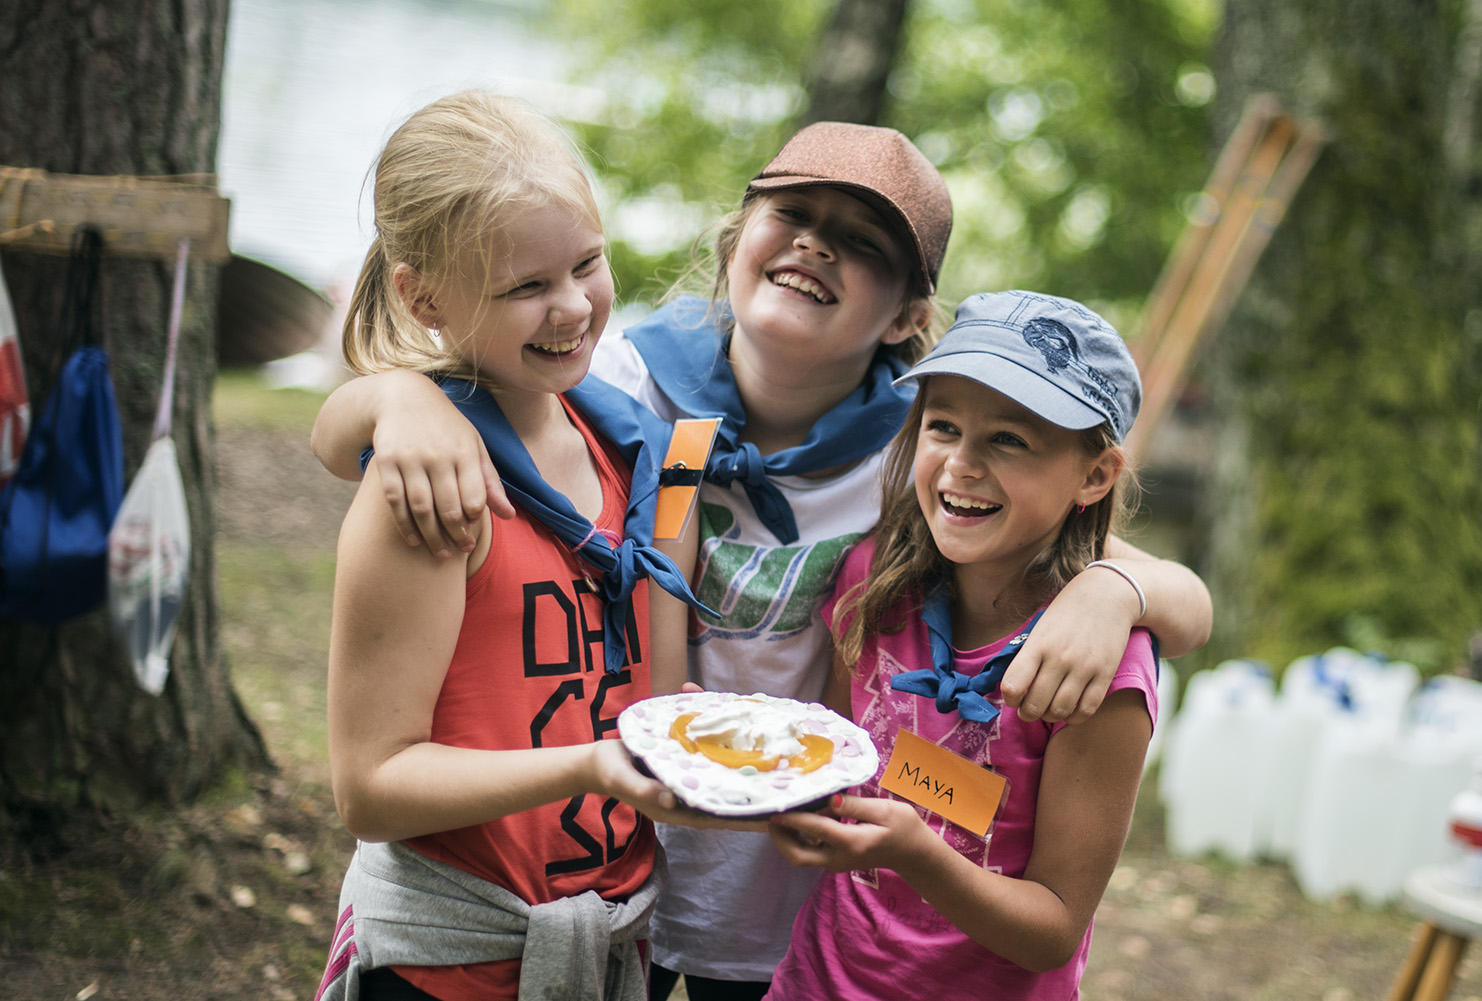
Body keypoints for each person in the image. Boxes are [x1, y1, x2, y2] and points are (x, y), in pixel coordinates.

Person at [311, 124, 1212, 1000]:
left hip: (777, 903)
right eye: (795, 215)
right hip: (610, 870)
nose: (817, 246)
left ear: (908, 316)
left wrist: (1114, 587)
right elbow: (392, 415)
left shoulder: (920, 451)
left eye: (862, 242)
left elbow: (1133, 573)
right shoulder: (616, 383)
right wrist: (397, 398)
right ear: (735, 240)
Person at [312, 89, 730, 1001]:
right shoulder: (431, 488)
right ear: (423, 296)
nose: (573, 306)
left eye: (588, 263)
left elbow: (652, 706)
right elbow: (370, 786)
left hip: (617, 944)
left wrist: (707, 746)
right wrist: (589, 763)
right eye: (527, 287)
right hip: (448, 966)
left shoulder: (651, 465)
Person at [765, 290, 1168, 1001]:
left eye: (1009, 439)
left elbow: (1054, 929)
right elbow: (833, 758)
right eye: (943, 426)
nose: (961, 464)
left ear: (1094, 475)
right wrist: (739, 752)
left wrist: (919, 855)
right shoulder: (872, 581)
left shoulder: (1101, 672)